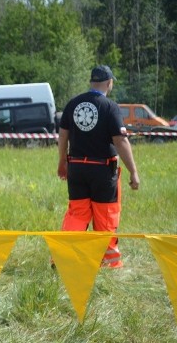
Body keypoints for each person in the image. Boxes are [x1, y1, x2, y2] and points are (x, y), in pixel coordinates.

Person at [56, 65, 140, 268]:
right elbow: (120, 141)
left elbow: (63, 136)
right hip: (102, 170)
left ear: (92, 82)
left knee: (77, 214)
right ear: (109, 83)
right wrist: (134, 171)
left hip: (76, 166)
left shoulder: (73, 104)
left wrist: (62, 162)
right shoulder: (109, 107)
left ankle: (64, 258)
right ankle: (108, 262)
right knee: (105, 215)